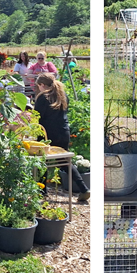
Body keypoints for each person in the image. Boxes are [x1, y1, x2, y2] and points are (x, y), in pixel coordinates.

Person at [34, 73, 90, 201]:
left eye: (39, 86)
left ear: (42, 85)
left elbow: (37, 117)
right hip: (63, 132)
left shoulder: (43, 97)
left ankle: (42, 192)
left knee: (42, 161)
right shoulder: (62, 95)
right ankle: (84, 189)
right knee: (65, 162)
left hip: (48, 133)